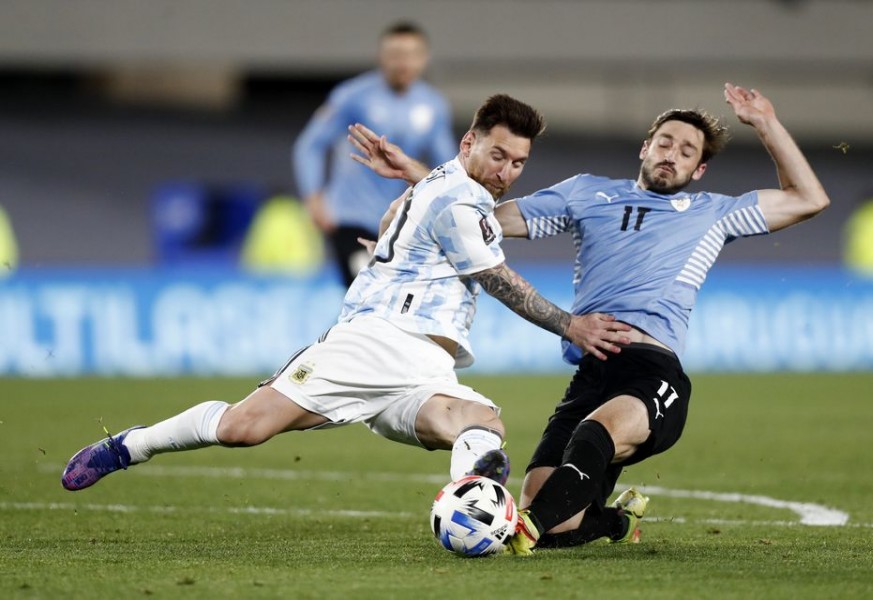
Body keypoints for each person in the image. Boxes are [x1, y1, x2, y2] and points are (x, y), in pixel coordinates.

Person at [62, 94, 633, 496]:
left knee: (481, 423)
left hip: (425, 366)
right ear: (469, 142)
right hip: (375, 344)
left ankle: (472, 506)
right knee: (243, 429)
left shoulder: (445, 184)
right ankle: (129, 446)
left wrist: (402, 231)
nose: (508, 171)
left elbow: (402, 214)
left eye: (518, 163)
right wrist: (570, 325)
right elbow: (498, 280)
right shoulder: (458, 200)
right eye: (498, 155)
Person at [348, 83, 830, 554]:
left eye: (687, 151)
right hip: (591, 371)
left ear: (699, 168)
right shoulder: (587, 194)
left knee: (589, 440)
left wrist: (766, 123)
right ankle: (614, 520)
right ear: (645, 147)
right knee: (557, 512)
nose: (672, 154)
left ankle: (519, 533)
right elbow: (483, 217)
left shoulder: (714, 213)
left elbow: (810, 198)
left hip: (651, 372)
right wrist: (418, 174)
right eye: (665, 142)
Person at [293, 21, 456, 288]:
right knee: (367, 288)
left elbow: (447, 165)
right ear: (381, 57)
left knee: (383, 303)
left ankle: (344, 331)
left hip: (400, 222)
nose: (403, 63)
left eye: (411, 55)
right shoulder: (353, 96)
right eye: (395, 55)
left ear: (424, 59)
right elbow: (309, 145)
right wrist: (313, 196)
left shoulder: (433, 105)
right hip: (350, 217)